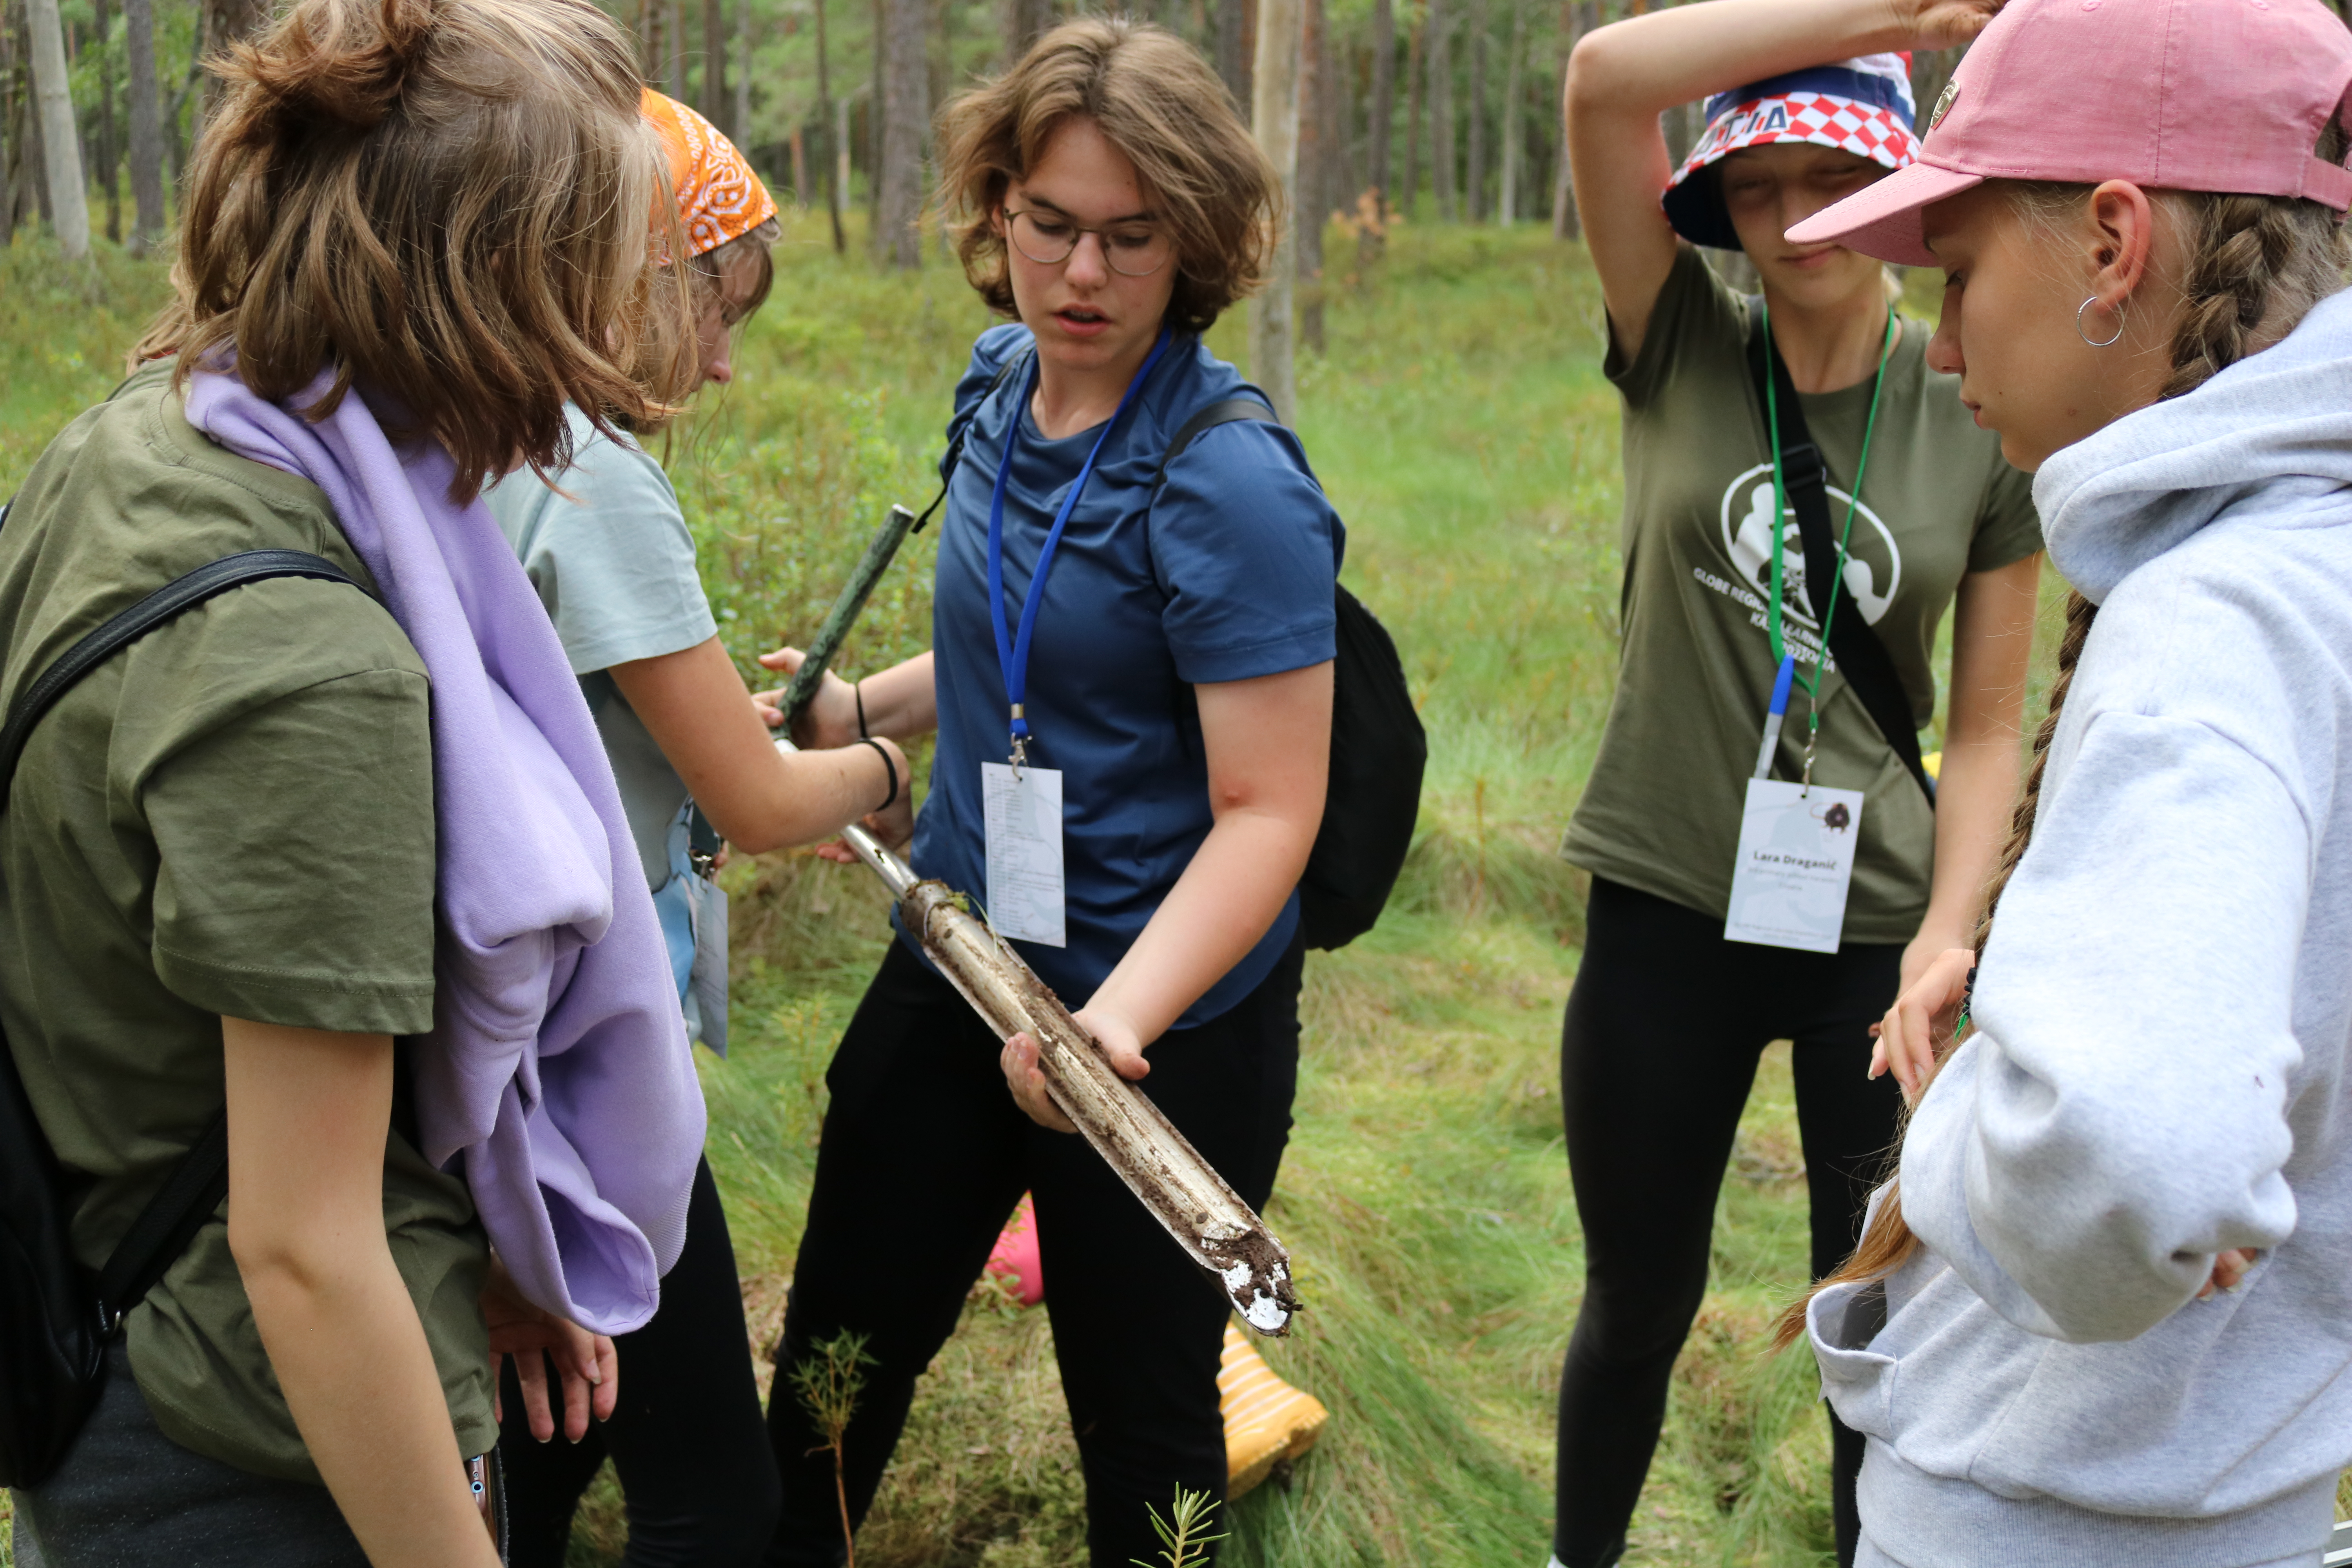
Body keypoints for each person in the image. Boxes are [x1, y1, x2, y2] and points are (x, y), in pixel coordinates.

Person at [0, 0, 704, 1561]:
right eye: (606, 264)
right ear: (506, 282)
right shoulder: (309, 666)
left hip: (113, 1311)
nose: (627, 312)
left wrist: (481, 1243)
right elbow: (306, 1249)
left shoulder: (144, 448)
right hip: (244, 1447)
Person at [757, 19, 1339, 1564]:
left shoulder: (1229, 484)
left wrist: (1115, 1029)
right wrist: (852, 714)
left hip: (1159, 1032)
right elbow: (1017, 659)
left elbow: (1270, 810)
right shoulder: (1001, 383)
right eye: (1051, 224)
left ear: (1196, 242)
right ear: (996, 208)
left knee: (1146, 1443)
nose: (1083, 275)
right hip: (963, 961)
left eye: (1133, 238)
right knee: (838, 1358)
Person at [1783, 0, 2352, 1562]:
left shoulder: (2212, 621)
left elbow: (2137, 1151)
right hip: (2241, 1489)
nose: (1945, 343)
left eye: (1959, 277)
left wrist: (1979, 1120)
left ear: (2112, 246)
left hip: (2050, 1515)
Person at [1551, 3, 2037, 1563]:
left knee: (1870, 1321)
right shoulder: (1682, 334)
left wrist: (1950, 935)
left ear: (1904, 191)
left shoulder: (1977, 408)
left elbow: (1982, 726)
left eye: (1835, 175)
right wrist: (1896, 11)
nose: (1792, 218)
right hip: (1665, 907)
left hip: (1875, 941)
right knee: (1637, 1299)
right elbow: (1602, 78)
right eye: (1756, 186)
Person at [481, 89, 911, 1568]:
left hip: (501, 1054)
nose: (725, 364)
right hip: (595, 1072)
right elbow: (762, 797)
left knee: (538, 1444)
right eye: (716, 313)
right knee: (714, 1506)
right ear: (628, 281)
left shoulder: (480, 431)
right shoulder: (594, 478)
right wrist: (884, 776)